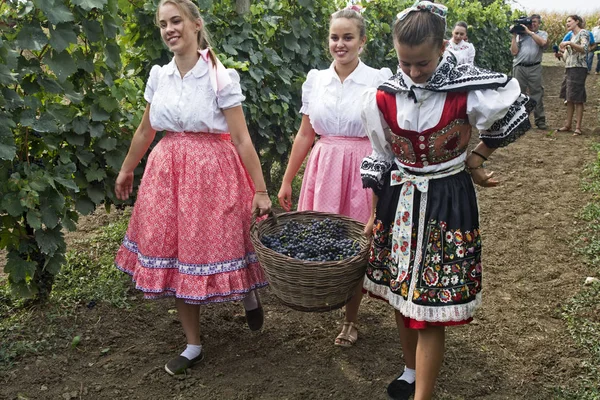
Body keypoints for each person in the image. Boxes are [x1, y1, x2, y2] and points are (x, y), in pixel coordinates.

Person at [359, 2, 533, 399]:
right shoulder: (385, 97)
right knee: (402, 296)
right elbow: (381, 156)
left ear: (441, 47)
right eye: (405, 64)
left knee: (430, 309)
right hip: (399, 200)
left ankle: (423, 395)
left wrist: (476, 158)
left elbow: (515, 112)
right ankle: (409, 371)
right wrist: (374, 211)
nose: (414, 73)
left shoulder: (466, 91)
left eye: (422, 63)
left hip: (446, 201)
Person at [114, 0, 271, 376]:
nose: (169, 29)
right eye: (163, 24)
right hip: (166, 173)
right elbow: (145, 130)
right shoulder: (159, 76)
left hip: (212, 172)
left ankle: (248, 295)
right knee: (176, 252)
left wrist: (261, 190)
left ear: (195, 24)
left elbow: (241, 139)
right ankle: (193, 344)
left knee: (223, 240)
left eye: (176, 21)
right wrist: (126, 169)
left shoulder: (220, 76)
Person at [276, 7, 392, 347]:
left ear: (362, 41)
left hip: (362, 169)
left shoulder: (377, 81)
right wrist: (287, 179)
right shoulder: (317, 81)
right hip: (324, 166)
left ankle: (350, 320)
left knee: (356, 245)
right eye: (334, 37)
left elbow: (385, 135)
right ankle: (326, 296)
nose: (339, 44)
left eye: (347, 37)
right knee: (327, 238)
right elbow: (304, 134)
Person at [510, 13, 548, 130]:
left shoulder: (542, 34)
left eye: (534, 22)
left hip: (535, 67)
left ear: (539, 23)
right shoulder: (520, 35)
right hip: (519, 67)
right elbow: (514, 52)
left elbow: (543, 44)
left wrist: (529, 33)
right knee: (518, 94)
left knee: (537, 93)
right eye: (530, 22)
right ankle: (519, 121)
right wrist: (514, 35)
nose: (531, 24)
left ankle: (540, 120)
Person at [556, 15, 590, 135]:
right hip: (569, 68)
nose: (567, 23)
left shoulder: (583, 33)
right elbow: (570, 56)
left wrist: (570, 43)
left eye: (569, 21)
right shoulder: (572, 36)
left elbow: (584, 49)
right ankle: (568, 125)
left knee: (578, 98)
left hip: (578, 69)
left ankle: (578, 127)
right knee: (569, 98)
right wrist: (561, 54)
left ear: (577, 22)